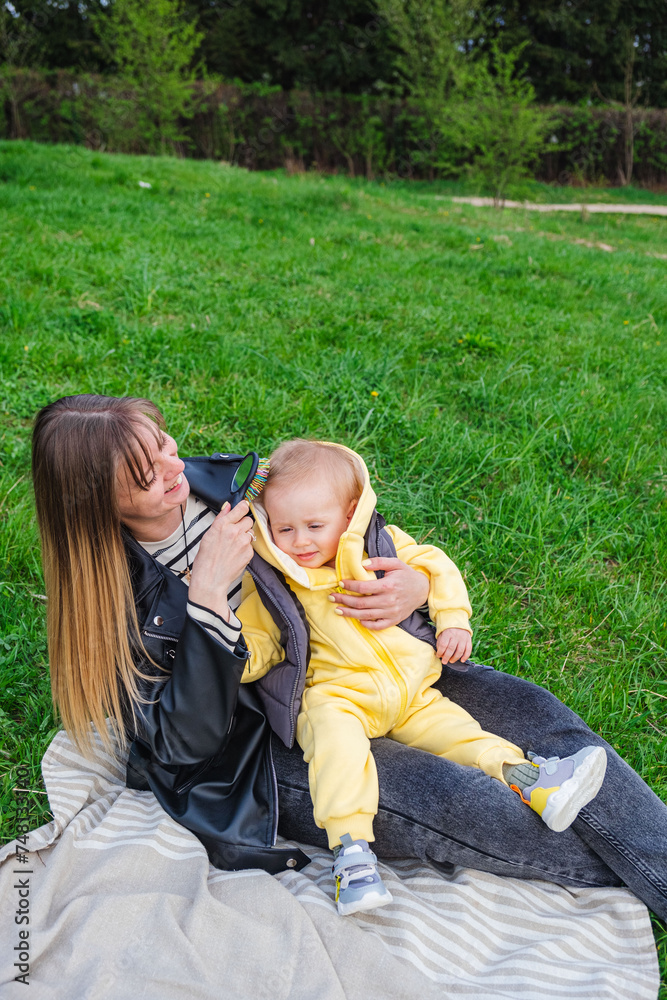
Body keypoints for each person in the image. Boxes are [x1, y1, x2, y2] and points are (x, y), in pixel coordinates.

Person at [30, 394, 667, 923]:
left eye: (165, 443)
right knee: (455, 796)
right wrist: (205, 607)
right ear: (100, 505)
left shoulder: (229, 483)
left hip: (371, 665)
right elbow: (183, 746)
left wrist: (412, 584)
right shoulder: (113, 601)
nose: (174, 467)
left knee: (533, 712)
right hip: (271, 741)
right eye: (146, 475)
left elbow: (347, 523)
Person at [236, 439, 607, 915]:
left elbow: (436, 565)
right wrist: (233, 656)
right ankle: (351, 853)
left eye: (314, 526)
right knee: (336, 751)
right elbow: (258, 641)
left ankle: (532, 778)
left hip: (413, 692)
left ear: (349, 514)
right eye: (284, 528)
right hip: (338, 696)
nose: (300, 541)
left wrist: (453, 619)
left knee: (463, 735)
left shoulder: (381, 545)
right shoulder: (273, 580)